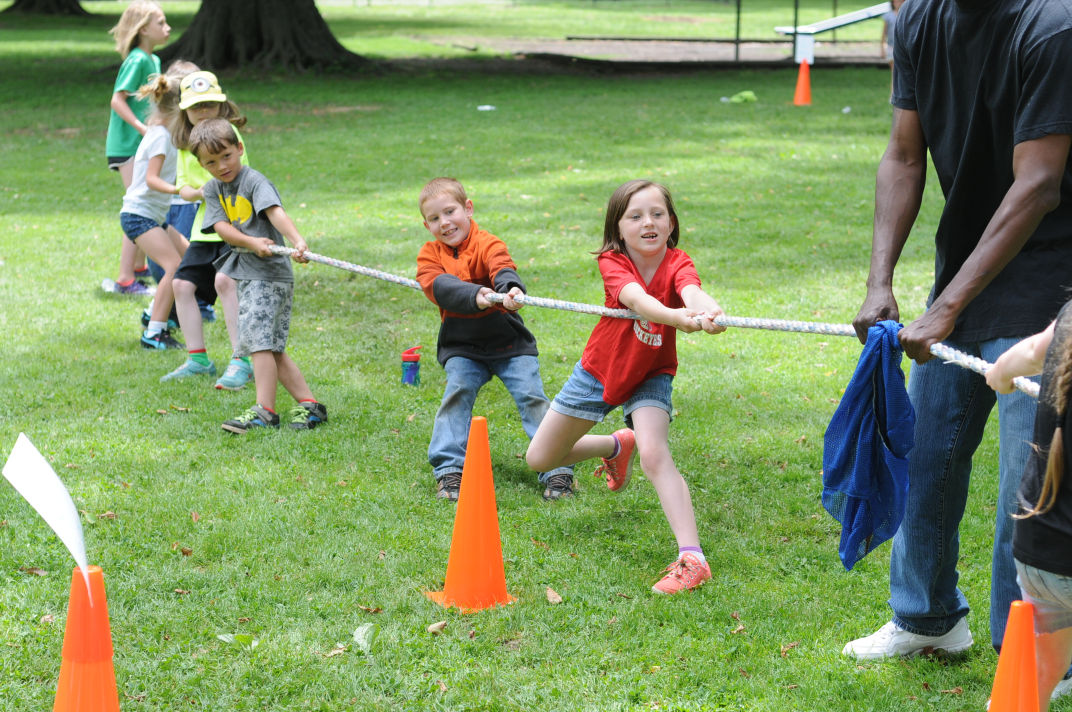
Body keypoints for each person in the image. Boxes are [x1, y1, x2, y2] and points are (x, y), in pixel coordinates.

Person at [844, 0, 1072, 661]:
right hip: (965, 281)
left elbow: (1038, 186)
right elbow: (904, 155)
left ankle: (1033, 652)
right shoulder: (917, 20)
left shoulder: (1053, 27)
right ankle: (926, 619)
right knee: (926, 458)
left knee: (1026, 485)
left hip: (1051, 290)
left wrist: (944, 308)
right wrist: (879, 283)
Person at [526, 179, 726, 594]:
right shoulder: (613, 261)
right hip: (600, 370)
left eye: (657, 214)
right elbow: (637, 301)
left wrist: (710, 312)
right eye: (635, 216)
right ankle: (616, 445)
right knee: (541, 458)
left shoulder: (678, 262)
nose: (648, 222)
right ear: (619, 229)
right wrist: (676, 317)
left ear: (671, 222)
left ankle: (693, 559)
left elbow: (693, 291)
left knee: (655, 453)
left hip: (651, 373)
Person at [415, 178, 575, 502]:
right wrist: (478, 294)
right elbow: (440, 287)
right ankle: (449, 470)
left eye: (450, 212)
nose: (445, 222)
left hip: (509, 344)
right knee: (457, 392)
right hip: (463, 347)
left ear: (468, 208)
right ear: (426, 224)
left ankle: (557, 468)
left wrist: (509, 289)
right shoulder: (429, 256)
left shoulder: (487, 242)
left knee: (532, 396)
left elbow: (502, 266)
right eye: (435, 218)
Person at [189, 118, 327, 433]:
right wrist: (251, 243)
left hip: (270, 274)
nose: (221, 166)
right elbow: (222, 227)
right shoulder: (212, 189)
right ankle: (310, 406)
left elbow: (274, 211)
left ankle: (265, 410)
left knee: (260, 343)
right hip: (248, 273)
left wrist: (297, 241)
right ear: (201, 164)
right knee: (268, 345)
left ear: (239, 149)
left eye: (226, 156)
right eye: (211, 162)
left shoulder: (254, 181)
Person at [987, 307, 1072, 708]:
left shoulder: (1069, 319)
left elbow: (1020, 359)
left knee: (1037, 674)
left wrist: (1000, 375)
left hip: (1041, 555)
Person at [160, 71, 253, 390]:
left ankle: (242, 360)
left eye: (210, 105)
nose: (203, 112)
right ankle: (198, 359)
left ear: (221, 105)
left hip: (232, 228)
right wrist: (196, 192)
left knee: (226, 283)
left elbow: (237, 177)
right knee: (182, 285)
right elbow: (184, 187)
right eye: (196, 107)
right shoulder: (186, 149)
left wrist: (209, 188)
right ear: (184, 111)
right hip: (204, 231)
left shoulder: (231, 139)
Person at [119, 62, 196, 351]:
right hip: (140, 216)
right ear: (178, 110)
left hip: (153, 216)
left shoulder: (163, 133)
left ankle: (154, 312)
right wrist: (181, 190)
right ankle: (154, 333)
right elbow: (151, 180)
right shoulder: (162, 138)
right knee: (173, 266)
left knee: (188, 256)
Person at [105, 0, 171, 296]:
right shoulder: (137, 60)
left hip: (141, 145)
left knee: (144, 203)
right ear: (144, 28)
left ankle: (140, 268)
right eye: (161, 23)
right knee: (137, 206)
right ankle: (124, 279)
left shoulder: (153, 61)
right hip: (128, 145)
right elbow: (117, 100)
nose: (167, 28)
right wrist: (144, 129)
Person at [879, 0, 903, 98]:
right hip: (891, 47)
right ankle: (893, 94)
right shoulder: (888, 16)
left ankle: (898, 94)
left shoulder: (906, 15)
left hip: (901, 48)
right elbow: (884, 34)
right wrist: (882, 48)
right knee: (895, 72)